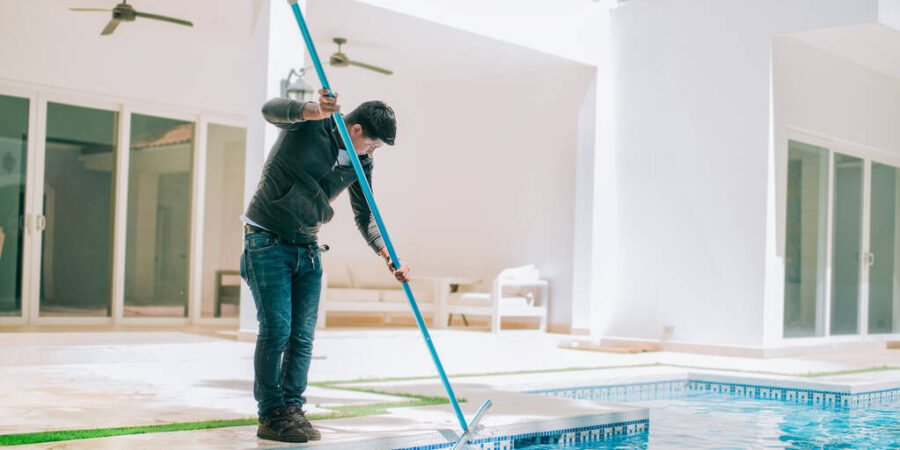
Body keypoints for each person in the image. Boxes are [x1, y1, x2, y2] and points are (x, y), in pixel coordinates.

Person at [240, 89, 410, 443]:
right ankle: (270, 414)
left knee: (302, 337)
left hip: (308, 247)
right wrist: (312, 110)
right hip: (267, 239)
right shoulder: (311, 125)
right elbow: (269, 109)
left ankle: (292, 409)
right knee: (276, 329)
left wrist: (388, 255)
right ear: (357, 129)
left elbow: (366, 215)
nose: (371, 153)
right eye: (372, 145)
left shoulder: (361, 164)